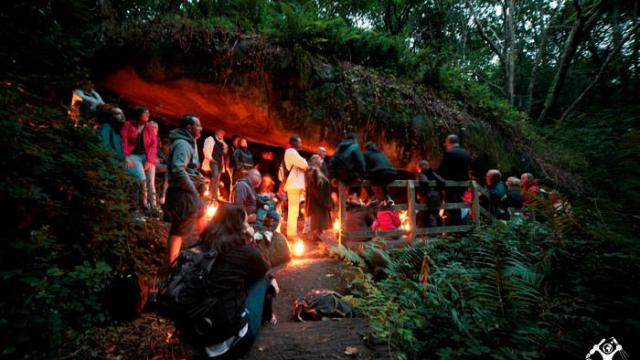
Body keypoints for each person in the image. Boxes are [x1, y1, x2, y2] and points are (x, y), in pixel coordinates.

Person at [198, 204, 273, 359]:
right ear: (240, 226)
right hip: (229, 343)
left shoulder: (201, 246)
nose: (248, 225)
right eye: (246, 222)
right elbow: (265, 267)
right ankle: (269, 317)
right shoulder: (244, 251)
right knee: (265, 279)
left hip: (197, 336)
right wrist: (251, 239)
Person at [164, 114, 205, 264]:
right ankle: (172, 264)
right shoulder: (183, 144)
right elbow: (178, 169)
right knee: (179, 229)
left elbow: (188, 168)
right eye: (198, 125)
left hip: (190, 192)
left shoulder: (190, 142)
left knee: (202, 213)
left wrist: (197, 177)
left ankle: (207, 250)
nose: (201, 128)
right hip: (183, 193)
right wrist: (192, 188)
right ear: (189, 127)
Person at [121, 106, 158, 213]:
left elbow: (153, 144)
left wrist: (150, 160)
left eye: (148, 113)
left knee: (151, 182)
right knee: (142, 180)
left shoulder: (149, 127)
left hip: (146, 156)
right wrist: (126, 156)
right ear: (138, 114)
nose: (148, 115)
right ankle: (140, 206)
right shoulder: (128, 125)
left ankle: (153, 208)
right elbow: (124, 141)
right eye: (145, 113)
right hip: (133, 156)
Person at [437, 134, 470, 225]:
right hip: (462, 184)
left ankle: (453, 227)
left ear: (449, 142)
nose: (445, 144)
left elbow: (443, 169)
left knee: (451, 206)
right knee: (459, 205)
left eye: (446, 142)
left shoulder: (449, 153)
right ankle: (460, 226)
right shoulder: (466, 153)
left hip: (451, 185)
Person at [283, 135, 308, 238]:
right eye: (300, 142)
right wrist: (304, 161)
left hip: (294, 184)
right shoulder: (291, 152)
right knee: (293, 209)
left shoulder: (292, 152)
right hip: (293, 184)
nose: (301, 144)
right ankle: (291, 233)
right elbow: (304, 164)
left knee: (294, 209)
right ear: (294, 143)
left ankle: (292, 232)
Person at [305, 155, 331, 242]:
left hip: (318, 201)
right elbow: (314, 189)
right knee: (317, 220)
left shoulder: (316, 172)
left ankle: (317, 236)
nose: (321, 160)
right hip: (317, 202)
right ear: (316, 161)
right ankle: (315, 237)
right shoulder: (314, 173)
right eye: (320, 159)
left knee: (318, 220)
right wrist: (322, 201)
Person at [415, 160, 445, 227]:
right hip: (437, 198)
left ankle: (426, 232)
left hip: (429, 199)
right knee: (434, 214)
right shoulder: (433, 173)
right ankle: (434, 233)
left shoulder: (422, 173)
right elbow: (443, 181)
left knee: (425, 215)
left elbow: (425, 182)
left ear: (419, 167)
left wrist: (422, 192)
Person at [202, 129, 228, 201]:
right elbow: (206, 149)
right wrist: (211, 158)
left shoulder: (222, 142)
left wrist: (225, 147)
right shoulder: (211, 139)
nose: (222, 135)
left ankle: (215, 195)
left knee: (218, 179)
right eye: (221, 133)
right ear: (217, 132)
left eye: (223, 134)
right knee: (215, 175)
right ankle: (210, 193)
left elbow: (224, 153)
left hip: (220, 163)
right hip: (214, 161)